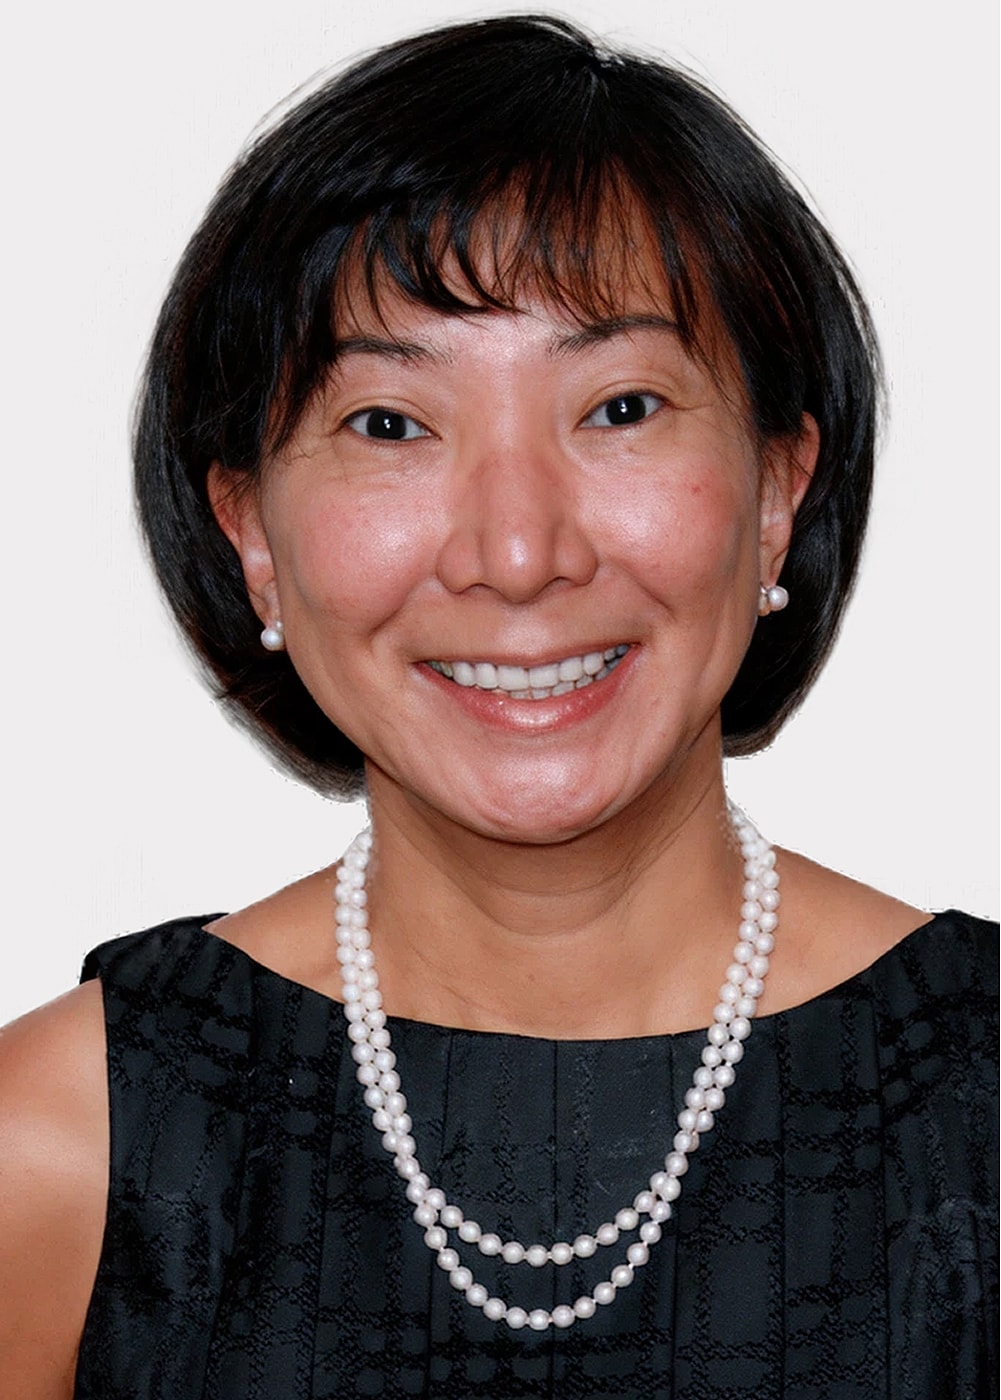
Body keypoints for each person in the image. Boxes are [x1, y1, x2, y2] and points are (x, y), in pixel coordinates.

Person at [0, 14, 995, 1399]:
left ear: (777, 495)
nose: (517, 553)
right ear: (250, 537)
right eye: (391, 425)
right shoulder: (59, 1147)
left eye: (621, 406)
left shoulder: (977, 1111)